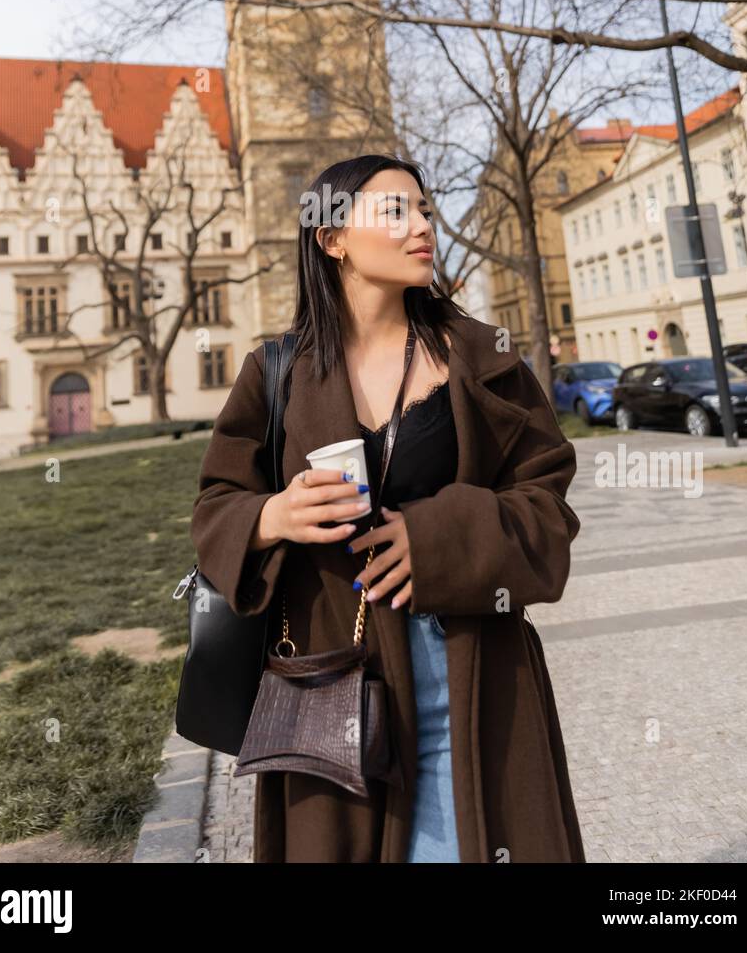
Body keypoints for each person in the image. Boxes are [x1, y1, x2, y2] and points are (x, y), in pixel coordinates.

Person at [191, 153, 585, 863]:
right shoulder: (274, 372)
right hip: (332, 691)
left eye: (427, 211)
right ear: (332, 237)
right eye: (397, 211)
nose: (424, 227)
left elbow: (548, 502)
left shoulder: (481, 356)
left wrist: (442, 539)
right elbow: (216, 506)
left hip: (473, 681)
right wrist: (272, 517)